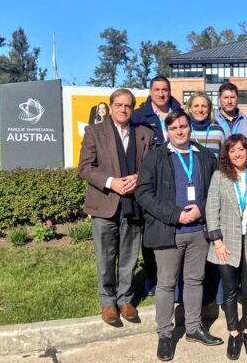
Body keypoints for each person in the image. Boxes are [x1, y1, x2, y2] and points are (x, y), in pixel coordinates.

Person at [135, 110, 221, 360]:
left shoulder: (205, 156)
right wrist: (175, 215)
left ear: (190, 128)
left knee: (194, 281)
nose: (180, 131)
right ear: (167, 132)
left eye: (184, 126)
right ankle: (164, 334)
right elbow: (143, 193)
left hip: (198, 231)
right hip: (169, 231)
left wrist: (200, 210)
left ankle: (193, 328)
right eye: (174, 128)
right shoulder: (156, 157)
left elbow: (216, 190)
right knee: (166, 283)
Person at [77, 88, 154, 325]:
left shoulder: (144, 134)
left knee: (130, 255)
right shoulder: (94, 132)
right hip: (105, 203)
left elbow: (152, 166)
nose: (123, 109)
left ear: (133, 108)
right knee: (106, 256)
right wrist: (112, 182)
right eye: (119, 105)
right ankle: (108, 302)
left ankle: (125, 299)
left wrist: (139, 177)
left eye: (128, 105)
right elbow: (85, 167)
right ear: (110, 107)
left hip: (133, 204)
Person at [206, 134, 247, 360]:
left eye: (241, 149)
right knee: (231, 292)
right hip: (227, 244)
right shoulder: (219, 177)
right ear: (227, 154)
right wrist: (218, 242)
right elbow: (211, 210)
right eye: (232, 151)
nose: (237, 154)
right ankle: (234, 334)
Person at [132, 75, 182, 296]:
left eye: (165, 90)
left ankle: (174, 275)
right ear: (150, 91)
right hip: (151, 177)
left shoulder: (180, 112)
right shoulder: (139, 117)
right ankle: (152, 275)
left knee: (175, 225)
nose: (161, 94)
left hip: (176, 175)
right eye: (157, 90)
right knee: (151, 227)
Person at [214, 82, 247, 157]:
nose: (229, 101)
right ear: (219, 99)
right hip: (219, 167)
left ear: (237, 98)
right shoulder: (212, 120)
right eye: (226, 98)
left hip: (244, 168)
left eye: (232, 97)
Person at [185, 91, 226, 156]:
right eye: (196, 106)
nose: (200, 110)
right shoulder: (184, 131)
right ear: (190, 109)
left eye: (204, 106)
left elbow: (224, 159)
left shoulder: (218, 131)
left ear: (209, 109)